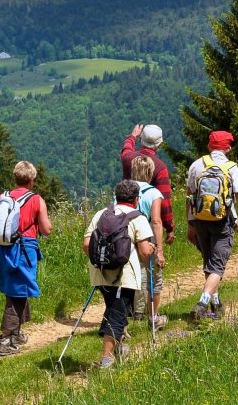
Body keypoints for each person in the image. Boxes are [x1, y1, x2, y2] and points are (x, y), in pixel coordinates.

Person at [83, 179, 156, 369]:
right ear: (136, 199)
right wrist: (153, 248)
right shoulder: (137, 217)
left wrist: (102, 261)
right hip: (124, 276)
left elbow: (86, 244)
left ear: (116, 196)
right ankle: (107, 359)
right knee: (117, 315)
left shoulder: (101, 214)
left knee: (113, 310)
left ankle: (119, 349)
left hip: (99, 274)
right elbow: (144, 252)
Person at [185, 131, 238, 321]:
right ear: (228, 148)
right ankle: (203, 303)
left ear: (209, 146)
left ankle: (216, 302)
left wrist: (190, 225)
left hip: (199, 220)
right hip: (223, 221)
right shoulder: (231, 168)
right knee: (218, 265)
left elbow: (189, 198)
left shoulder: (196, 165)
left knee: (209, 261)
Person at [0, 161, 53, 356]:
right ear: (32, 180)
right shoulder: (36, 199)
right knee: (18, 293)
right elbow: (46, 229)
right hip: (24, 249)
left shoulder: (3, 197)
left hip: (2, 249)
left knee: (16, 289)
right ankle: (6, 339)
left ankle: (16, 333)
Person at [128, 155, 168, 330]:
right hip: (147, 238)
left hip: (127, 240)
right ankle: (153, 317)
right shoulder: (153, 193)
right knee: (154, 277)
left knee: (133, 275)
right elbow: (157, 221)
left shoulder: (124, 190)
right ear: (151, 173)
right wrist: (159, 250)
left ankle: (135, 314)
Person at [120, 124, 175, 246]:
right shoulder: (160, 168)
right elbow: (164, 201)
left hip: (123, 217)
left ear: (141, 139)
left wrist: (132, 136)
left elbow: (126, 148)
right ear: (159, 144)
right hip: (147, 221)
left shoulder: (127, 158)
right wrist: (169, 227)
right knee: (147, 255)